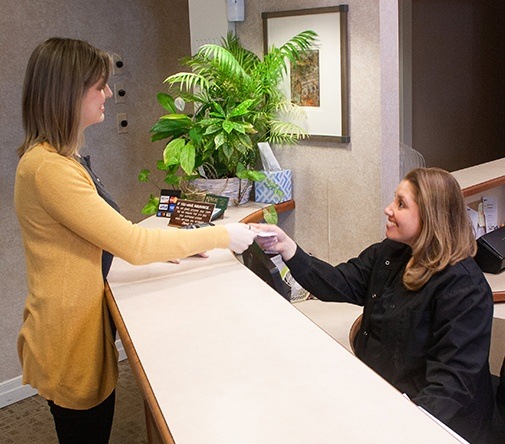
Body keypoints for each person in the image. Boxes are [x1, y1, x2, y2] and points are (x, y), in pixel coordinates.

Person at [14, 37, 257, 444]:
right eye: (99, 85)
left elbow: (107, 230)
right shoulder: (49, 170)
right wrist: (222, 235)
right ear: (68, 93)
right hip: (67, 338)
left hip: (74, 326)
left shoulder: (59, 160)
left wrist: (183, 244)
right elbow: (133, 244)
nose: (108, 92)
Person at [254, 167, 494, 443]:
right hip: (386, 398)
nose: (388, 209)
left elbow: (449, 388)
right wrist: (287, 248)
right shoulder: (392, 253)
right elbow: (340, 281)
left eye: (401, 204)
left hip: (435, 426)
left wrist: (396, 429)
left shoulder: (465, 289)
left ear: (430, 217)